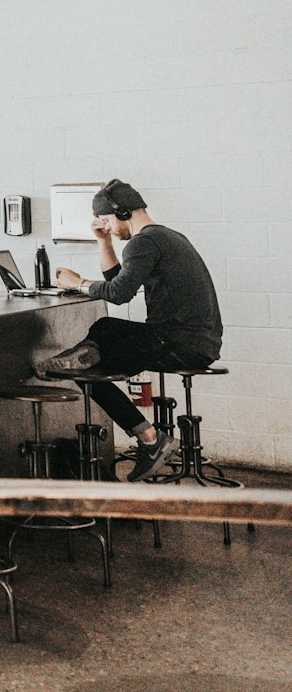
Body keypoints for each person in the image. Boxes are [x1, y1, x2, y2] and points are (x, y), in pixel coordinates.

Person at [37, 179, 223, 482]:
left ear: (123, 212)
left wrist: (78, 283)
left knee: (90, 361)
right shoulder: (166, 237)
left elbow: (118, 293)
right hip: (195, 342)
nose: (107, 227)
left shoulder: (144, 242)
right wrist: (103, 242)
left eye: (107, 221)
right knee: (104, 333)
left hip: (177, 342)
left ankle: (150, 439)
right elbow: (118, 280)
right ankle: (84, 356)